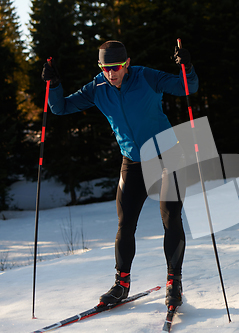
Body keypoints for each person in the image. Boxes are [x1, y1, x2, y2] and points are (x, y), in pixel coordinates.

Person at [41, 40, 198, 309]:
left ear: (126, 64)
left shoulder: (146, 76)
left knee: (171, 217)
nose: (111, 73)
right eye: (106, 68)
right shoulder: (97, 88)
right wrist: (53, 86)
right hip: (133, 161)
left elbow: (187, 86)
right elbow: (60, 108)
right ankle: (121, 284)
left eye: (116, 67)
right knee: (125, 224)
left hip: (167, 156)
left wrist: (187, 66)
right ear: (100, 67)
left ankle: (174, 283)